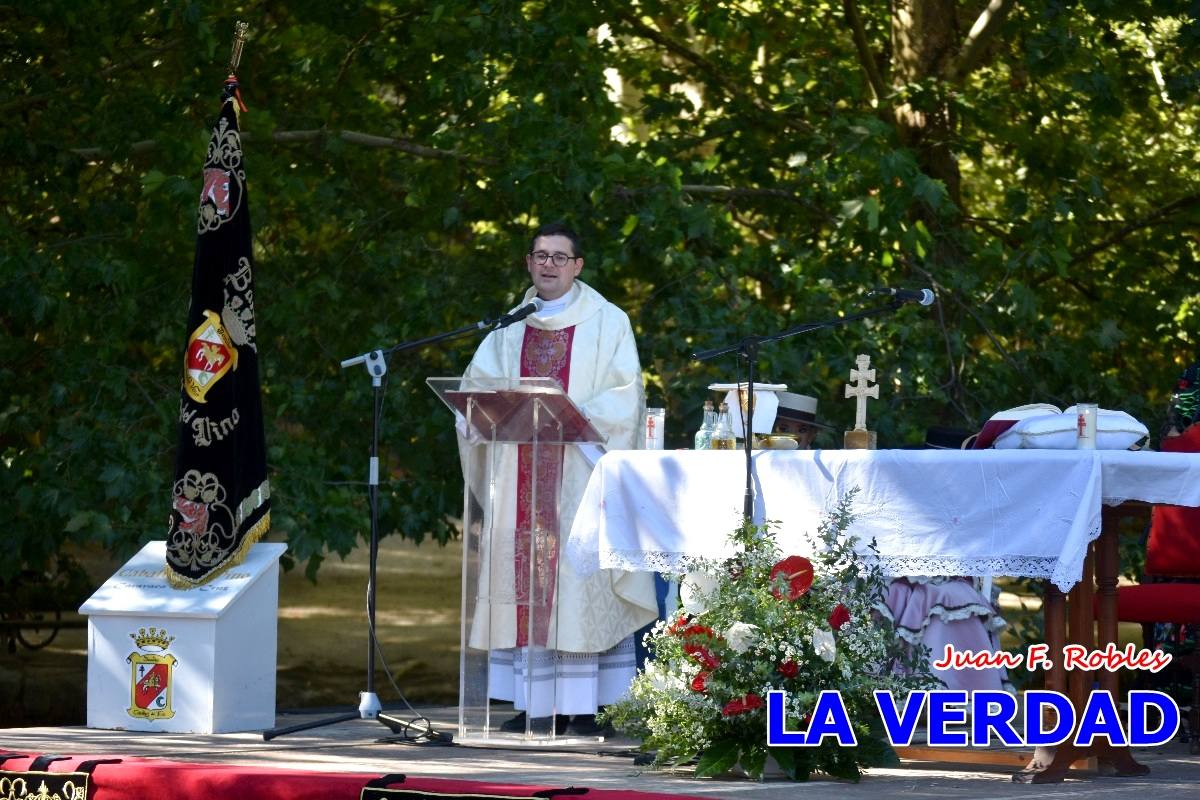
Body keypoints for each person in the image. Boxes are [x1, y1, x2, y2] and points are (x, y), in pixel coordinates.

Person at [458, 222, 657, 736]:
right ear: (528, 263)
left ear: (577, 266)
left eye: (559, 257)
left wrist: (571, 415)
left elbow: (626, 400)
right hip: (518, 474)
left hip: (580, 477)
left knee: (577, 584)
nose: (548, 264)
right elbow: (476, 390)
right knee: (525, 584)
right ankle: (534, 704)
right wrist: (476, 414)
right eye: (540, 255)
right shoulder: (510, 325)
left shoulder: (608, 320)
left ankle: (585, 707)